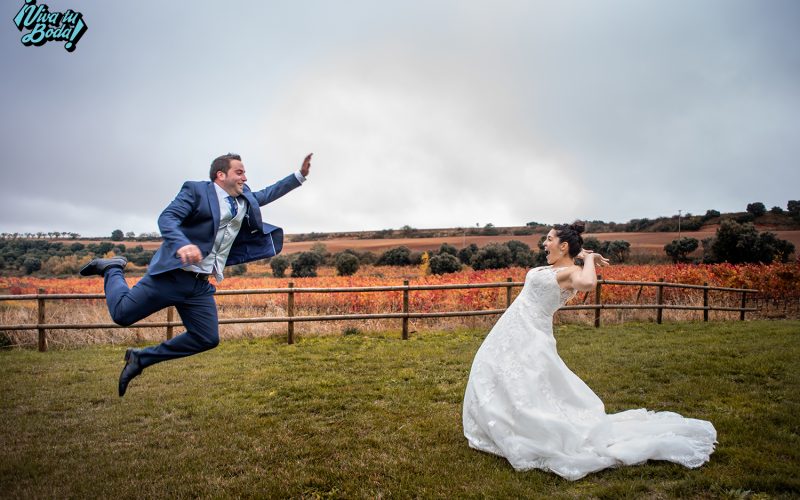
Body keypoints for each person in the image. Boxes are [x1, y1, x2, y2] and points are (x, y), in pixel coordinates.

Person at [462, 221, 716, 480]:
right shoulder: (556, 267)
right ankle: (502, 422)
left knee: (527, 380)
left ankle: (527, 427)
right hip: (510, 330)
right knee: (494, 369)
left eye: (549, 239)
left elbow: (587, 284)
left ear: (562, 246)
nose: (544, 244)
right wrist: (581, 253)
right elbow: (568, 261)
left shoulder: (570, 273)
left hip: (531, 333)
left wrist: (589, 259)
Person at [79, 152, 312, 397]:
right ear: (220, 175)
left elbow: (269, 193)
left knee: (207, 338)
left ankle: (141, 358)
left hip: (199, 285)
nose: (245, 177)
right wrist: (181, 244)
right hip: (171, 276)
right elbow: (168, 217)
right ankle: (113, 268)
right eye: (239, 172)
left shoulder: (244, 199)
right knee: (122, 314)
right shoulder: (196, 191)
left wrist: (300, 176)